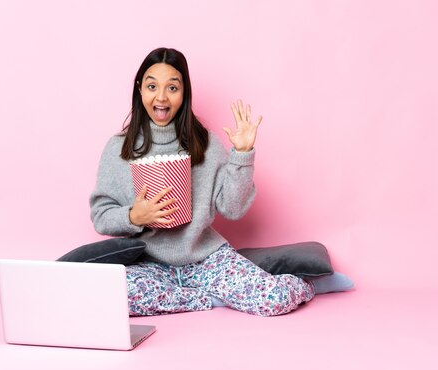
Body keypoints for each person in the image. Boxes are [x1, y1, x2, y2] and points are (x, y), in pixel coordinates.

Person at [89, 47, 315, 317]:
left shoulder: (206, 143)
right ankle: (210, 299)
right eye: (152, 86)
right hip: (149, 265)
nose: (161, 97)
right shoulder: (118, 149)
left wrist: (242, 156)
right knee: (111, 297)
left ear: (184, 93)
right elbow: (101, 216)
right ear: (140, 90)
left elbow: (233, 209)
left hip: (207, 259)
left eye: (172, 88)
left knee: (273, 300)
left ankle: (311, 284)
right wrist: (134, 216)